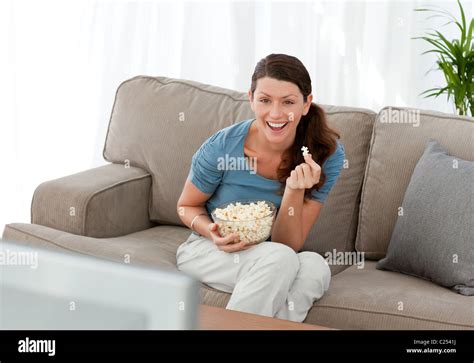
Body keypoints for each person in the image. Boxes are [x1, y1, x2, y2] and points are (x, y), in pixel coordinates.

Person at [176, 53, 345, 322]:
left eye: (288, 102)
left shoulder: (326, 155)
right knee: (280, 259)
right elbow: (186, 206)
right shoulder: (222, 147)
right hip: (209, 249)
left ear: (306, 104)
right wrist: (211, 231)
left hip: (275, 256)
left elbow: (287, 245)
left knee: (315, 266)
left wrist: (294, 189)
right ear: (251, 99)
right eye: (265, 100)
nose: (276, 113)